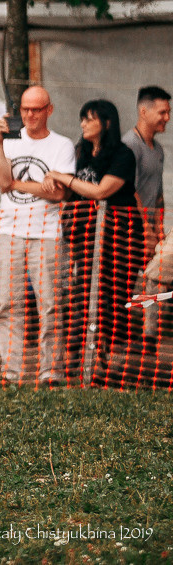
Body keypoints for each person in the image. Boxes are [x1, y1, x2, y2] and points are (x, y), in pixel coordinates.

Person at [44, 99, 144, 386]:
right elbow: (73, 189)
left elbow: (101, 191)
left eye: (89, 119)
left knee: (112, 296)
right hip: (86, 238)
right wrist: (59, 182)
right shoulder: (81, 152)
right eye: (82, 119)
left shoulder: (123, 154)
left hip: (120, 239)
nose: (83, 124)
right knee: (82, 296)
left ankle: (110, 360)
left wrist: (64, 177)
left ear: (107, 123)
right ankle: (80, 360)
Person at [0, 86, 75, 387]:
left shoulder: (62, 145)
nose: (29, 114)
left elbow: (59, 194)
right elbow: (2, 183)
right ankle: (10, 370)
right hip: (8, 230)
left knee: (50, 302)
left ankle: (50, 369)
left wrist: (18, 184)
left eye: (36, 109)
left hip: (47, 232)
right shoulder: (10, 141)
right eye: (25, 108)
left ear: (49, 110)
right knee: (9, 302)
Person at [122, 85, 170, 371]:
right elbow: (133, 190)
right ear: (144, 110)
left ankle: (149, 335)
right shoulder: (131, 144)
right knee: (127, 280)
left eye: (168, 112)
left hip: (151, 227)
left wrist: (158, 226)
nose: (166, 117)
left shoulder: (159, 149)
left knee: (157, 278)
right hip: (131, 227)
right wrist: (145, 227)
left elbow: (158, 192)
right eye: (162, 111)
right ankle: (121, 334)